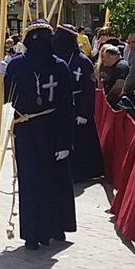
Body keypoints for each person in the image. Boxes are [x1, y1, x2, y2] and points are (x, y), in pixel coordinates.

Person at [1, 20, 76, 250]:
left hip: (42, 130)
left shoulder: (57, 66)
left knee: (38, 181)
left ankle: (44, 230)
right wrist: (1, 76)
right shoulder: (18, 65)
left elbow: (66, 103)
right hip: (35, 130)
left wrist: (65, 141)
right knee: (40, 180)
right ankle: (42, 231)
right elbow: (4, 98)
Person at [53, 25, 102, 181]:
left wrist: (84, 112)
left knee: (81, 143)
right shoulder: (54, 59)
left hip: (79, 106)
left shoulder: (82, 61)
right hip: (60, 107)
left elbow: (89, 89)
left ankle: (81, 173)